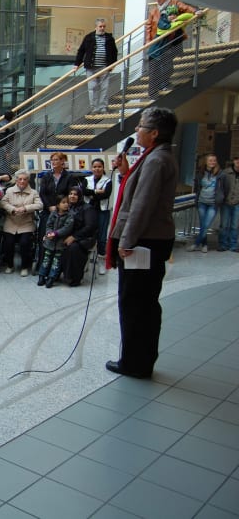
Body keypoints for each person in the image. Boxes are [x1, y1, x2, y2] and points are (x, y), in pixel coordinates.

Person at [106, 107, 179, 379]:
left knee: (136, 303)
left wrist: (126, 241)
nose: (136, 130)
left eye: (140, 126)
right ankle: (139, 359)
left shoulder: (156, 161)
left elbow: (142, 206)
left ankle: (135, 364)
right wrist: (126, 174)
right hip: (149, 239)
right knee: (142, 302)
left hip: (144, 242)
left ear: (155, 133)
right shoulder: (155, 157)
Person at [145, 0, 200, 98]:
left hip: (172, 40)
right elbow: (149, 26)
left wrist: (195, 12)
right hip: (158, 44)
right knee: (160, 68)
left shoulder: (174, 3)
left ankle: (163, 84)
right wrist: (148, 42)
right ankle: (159, 87)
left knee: (167, 65)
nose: (157, 0)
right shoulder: (155, 11)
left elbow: (186, 9)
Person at [0, 170, 43, 276]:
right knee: (8, 243)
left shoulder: (33, 192)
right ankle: (10, 265)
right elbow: (2, 202)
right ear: (16, 180)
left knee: (25, 243)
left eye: (25, 179)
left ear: (28, 180)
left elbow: (40, 205)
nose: (22, 181)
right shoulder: (9, 191)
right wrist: (12, 209)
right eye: (20, 179)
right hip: (11, 221)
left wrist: (26, 208)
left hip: (26, 223)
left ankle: (24, 266)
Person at [74, 18, 118, 114]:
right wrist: (77, 64)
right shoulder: (88, 37)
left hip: (104, 67)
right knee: (92, 88)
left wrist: (113, 64)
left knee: (104, 88)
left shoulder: (109, 38)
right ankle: (94, 108)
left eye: (104, 26)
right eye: (100, 26)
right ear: (96, 27)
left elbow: (114, 52)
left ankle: (103, 108)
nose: (102, 28)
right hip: (91, 67)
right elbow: (81, 51)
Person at [187, 153, 227, 253]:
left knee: (206, 225)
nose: (212, 162)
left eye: (214, 160)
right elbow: (197, 187)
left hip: (213, 203)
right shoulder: (200, 173)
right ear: (206, 162)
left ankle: (196, 244)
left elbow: (225, 188)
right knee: (203, 225)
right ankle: (204, 244)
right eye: (210, 160)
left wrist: (221, 198)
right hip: (202, 202)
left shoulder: (221, 174)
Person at [60, 186, 98, 287]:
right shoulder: (68, 207)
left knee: (73, 248)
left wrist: (74, 237)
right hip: (70, 236)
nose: (72, 196)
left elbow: (90, 227)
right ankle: (54, 274)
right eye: (71, 194)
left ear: (80, 196)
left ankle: (73, 278)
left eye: (75, 194)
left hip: (84, 237)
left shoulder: (87, 208)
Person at [83, 157, 113, 274]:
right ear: (91, 168)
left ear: (103, 168)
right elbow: (83, 192)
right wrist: (96, 191)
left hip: (102, 212)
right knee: (87, 235)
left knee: (101, 238)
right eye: (95, 167)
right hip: (89, 211)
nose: (97, 169)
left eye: (99, 166)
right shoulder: (87, 179)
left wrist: (92, 193)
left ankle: (101, 262)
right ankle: (85, 261)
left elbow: (105, 195)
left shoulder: (107, 181)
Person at [37, 196, 74, 288]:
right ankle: (42, 276)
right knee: (46, 259)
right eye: (63, 202)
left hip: (60, 243)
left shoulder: (70, 215)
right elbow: (48, 224)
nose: (66, 204)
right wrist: (49, 233)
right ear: (58, 204)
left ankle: (51, 278)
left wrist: (56, 233)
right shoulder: (53, 213)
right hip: (50, 242)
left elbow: (67, 228)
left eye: (67, 203)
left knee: (56, 262)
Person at [219, 157, 239, 252]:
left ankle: (233, 245)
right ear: (234, 161)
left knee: (235, 225)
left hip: (237, 203)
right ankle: (223, 244)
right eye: (236, 159)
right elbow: (220, 186)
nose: (238, 161)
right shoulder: (225, 172)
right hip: (226, 202)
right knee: (224, 225)